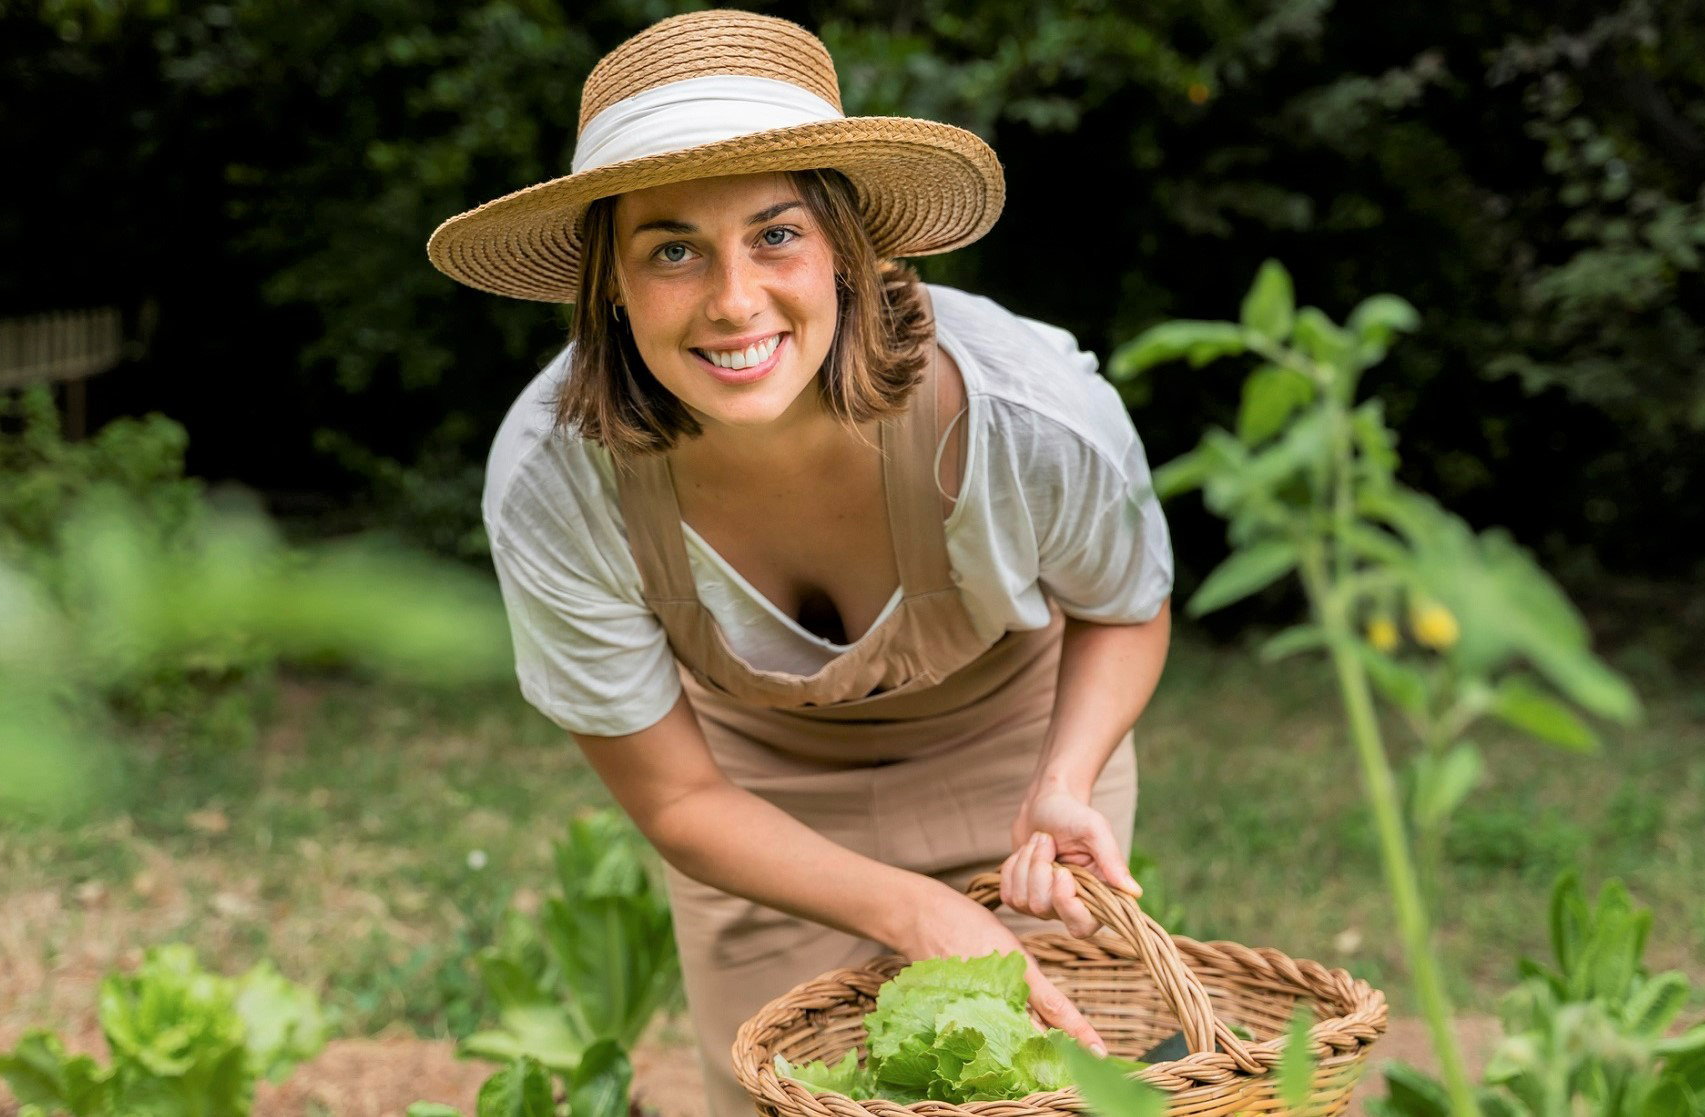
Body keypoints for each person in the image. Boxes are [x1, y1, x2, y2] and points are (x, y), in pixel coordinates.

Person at [427, 11, 1173, 1115]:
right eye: (671, 249)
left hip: (1017, 757)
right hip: (755, 807)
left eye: (775, 234)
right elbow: (678, 795)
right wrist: (915, 911)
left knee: (1048, 1093)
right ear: (609, 284)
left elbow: (1124, 605)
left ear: (847, 250)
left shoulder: (1021, 417)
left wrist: (1064, 780)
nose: (733, 300)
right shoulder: (555, 480)